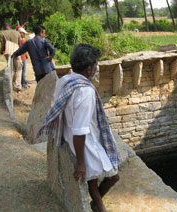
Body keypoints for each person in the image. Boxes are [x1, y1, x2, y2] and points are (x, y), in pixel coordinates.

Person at [37, 44, 122, 212]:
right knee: (113, 177)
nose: (97, 68)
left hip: (72, 136)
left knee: (92, 179)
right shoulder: (85, 92)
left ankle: (96, 206)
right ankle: (99, 208)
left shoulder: (65, 80)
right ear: (89, 69)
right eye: (96, 65)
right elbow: (80, 130)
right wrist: (81, 163)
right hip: (85, 142)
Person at [0, 22, 23, 91]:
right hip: (17, 52)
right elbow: (20, 44)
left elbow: (3, 44)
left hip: (8, 52)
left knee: (11, 68)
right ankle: (17, 85)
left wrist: (2, 51)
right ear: (9, 26)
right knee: (18, 69)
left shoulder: (2, 33)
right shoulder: (17, 33)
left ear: (4, 27)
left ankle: (10, 83)